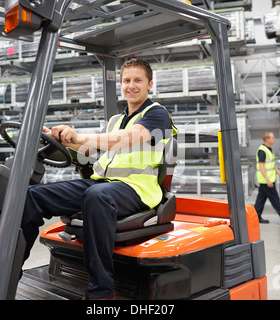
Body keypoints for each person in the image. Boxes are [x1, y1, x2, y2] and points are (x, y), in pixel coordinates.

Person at [20, 58, 177, 300]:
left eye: (138, 80)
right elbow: (92, 151)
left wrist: (79, 136)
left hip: (137, 190)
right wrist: (60, 138)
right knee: (33, 196)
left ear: (150, 84)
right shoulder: (116, 120)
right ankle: (9, 271)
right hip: (104, 184)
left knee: (95, 196)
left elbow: (127, 139)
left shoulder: (157, 114)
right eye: (126, 80)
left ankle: (102, 291)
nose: (131, 85)